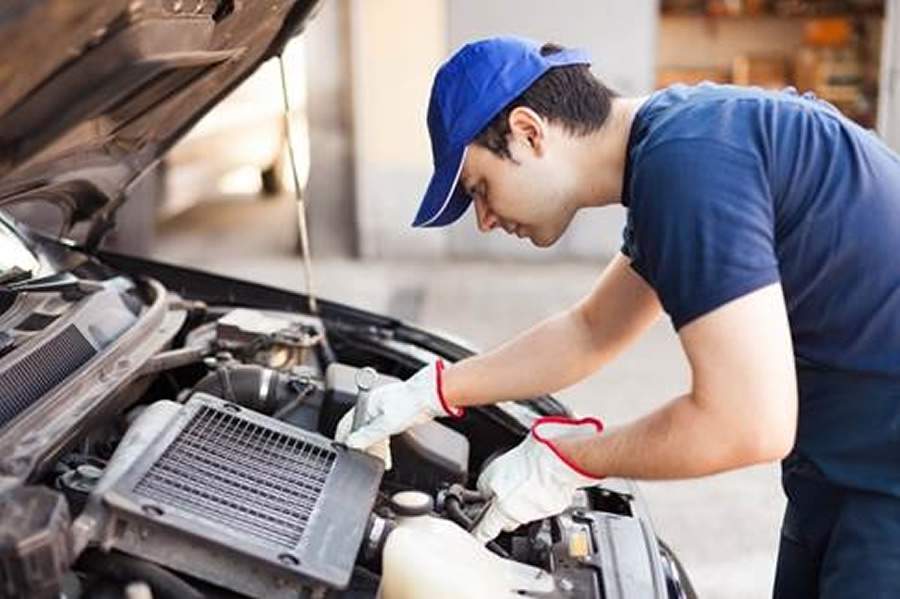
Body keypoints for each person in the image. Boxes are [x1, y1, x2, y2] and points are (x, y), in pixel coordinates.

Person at [338, 36, 900, 597]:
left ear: (529, 132)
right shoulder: (676, 146)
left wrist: (568, 461)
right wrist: (430, 392)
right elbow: (589, 332)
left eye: (481, 189)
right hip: (838, 470)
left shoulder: (688, 167)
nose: (484, 219)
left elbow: (748, 424)